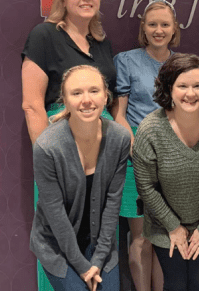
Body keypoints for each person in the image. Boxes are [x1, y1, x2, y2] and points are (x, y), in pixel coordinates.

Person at [22, 0, 116, 290]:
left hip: (101, 154)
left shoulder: (101, 42)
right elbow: (33, 104)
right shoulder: (44, 36)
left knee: (99, 232)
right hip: (60, 153)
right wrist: (50, 158)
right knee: (60, 237)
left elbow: (112, 99)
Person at [132, 53, 199, 291]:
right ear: (169, 88)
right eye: (182, 86)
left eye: (198, 85)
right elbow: (146, 186)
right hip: (164, 222)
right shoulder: (150, 129)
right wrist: (173, 227)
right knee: (176, 284)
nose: (191, 94)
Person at [30, 65, 130, 291]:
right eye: (76, 93)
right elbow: (56, 217)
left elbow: (113, 204)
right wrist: (83, 267)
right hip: (56, 245)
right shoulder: (47, 147)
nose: (87, 100)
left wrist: (98, 259)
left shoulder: (119, 138)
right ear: (64, 100)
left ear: (106, 96)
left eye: (94, 91)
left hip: (100, 243)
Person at [112, 0, 180, 291]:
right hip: (134, 160)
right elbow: (119, 114)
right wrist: (137, 148)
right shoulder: (126, 60)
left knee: (163, 237)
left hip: (172, 162)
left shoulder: (182, 64)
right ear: (144, 28)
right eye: (153, 24)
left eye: (164, 24)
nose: (158, 30)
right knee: (140, 237)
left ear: (174, 28)